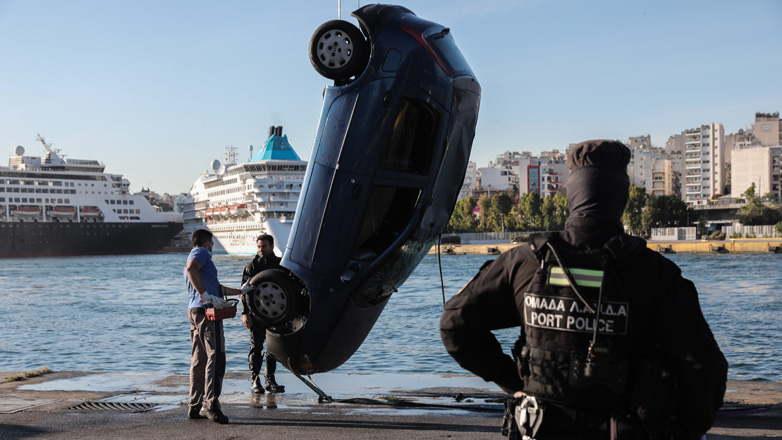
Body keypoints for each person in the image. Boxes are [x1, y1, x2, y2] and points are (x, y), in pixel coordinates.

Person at [440, 140, 727, 439]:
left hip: (538, 427)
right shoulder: (655, 273)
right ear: (622, 197)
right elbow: (703, 365)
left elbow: (455, 324)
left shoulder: (524, 262)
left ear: (572, 195)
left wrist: (515, 382)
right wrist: (686, 429)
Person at [184, 229, 250, 424]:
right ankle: (210, 405)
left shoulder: (199, 261)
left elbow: (218, 288)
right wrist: (206, 296)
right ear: (207, 242)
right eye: (212, 244)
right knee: (216, 356)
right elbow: (191, 269)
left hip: (195, 311)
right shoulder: (201, 253)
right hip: (207, 312)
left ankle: (194, 405)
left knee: (199, 358)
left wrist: (239, 291)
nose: (212, 247)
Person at [241, 233, 286, 394]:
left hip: (276, 314)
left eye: (264, 246)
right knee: (256, 346)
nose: (261, 250)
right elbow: (244, 292)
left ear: (272, 246)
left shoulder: (281, 264)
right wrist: (244, 313)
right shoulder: (251, 267)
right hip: (256, 313)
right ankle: (254, 379)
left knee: (272, 347)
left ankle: (270, 378)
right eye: (259, 247)